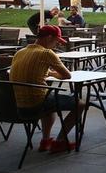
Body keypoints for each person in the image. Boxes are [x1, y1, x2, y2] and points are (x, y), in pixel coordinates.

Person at [9, 25, 85, 153]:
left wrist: (47, 73)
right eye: (56, 41)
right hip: (37, 103)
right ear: (49, 37)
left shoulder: (20, 52)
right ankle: (60, 141)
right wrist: (52, 73)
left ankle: (45, 140)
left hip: (18, 105)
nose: (56, 45)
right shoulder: (46, 53)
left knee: (50, 103)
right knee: (80, 104)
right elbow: (67, 75)